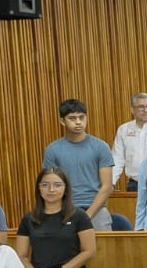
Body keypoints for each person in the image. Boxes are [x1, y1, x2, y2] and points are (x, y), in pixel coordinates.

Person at [16, 167, 96, 268]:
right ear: (38, 188)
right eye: (45, 185)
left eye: (57, 185)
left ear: (66, 189)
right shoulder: (29, 218)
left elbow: (89, 251)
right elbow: (21, 255)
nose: (51, 189)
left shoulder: (79, 216)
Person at [43, 99, 114, 231]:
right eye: (72, 118)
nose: (78, 122)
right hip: (64, 210)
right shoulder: (52, 149)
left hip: (97, 210)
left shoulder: (101, 147)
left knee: (103, 250)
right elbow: (50, 185)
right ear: (62, 121)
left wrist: (87, 216)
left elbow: (107, 186)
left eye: (82, 117)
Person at [111, 93, 147, 190]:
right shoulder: (123, 130)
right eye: (141, 107)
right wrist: (111, 182)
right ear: (132, 109)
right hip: (134, 184)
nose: (145, 110)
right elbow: (117, 158)